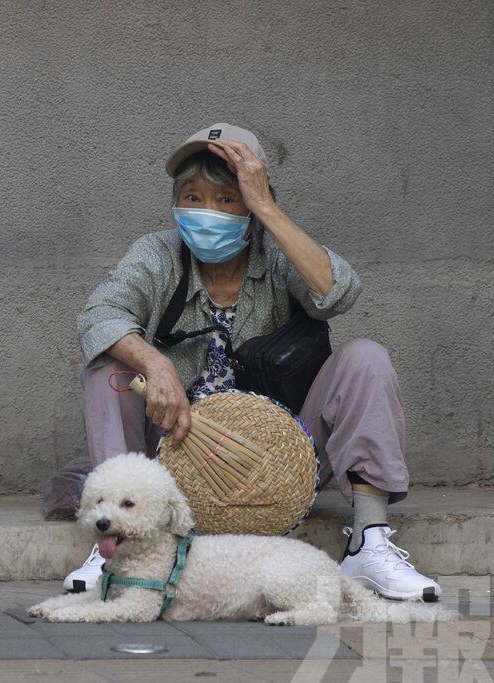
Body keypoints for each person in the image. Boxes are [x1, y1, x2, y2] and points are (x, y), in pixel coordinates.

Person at [63, 123, 441, 603]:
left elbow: (338, 293)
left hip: (284, 458)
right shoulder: (158, 253)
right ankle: (115, 541)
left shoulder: (277, 252)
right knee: (108, 371)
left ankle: (368, 543)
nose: (207, 212)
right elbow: (99, 313)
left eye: (227, 199)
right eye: (193, 197)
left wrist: (266, 208)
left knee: (366, 358)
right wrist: (156, 365)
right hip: (179, 454)